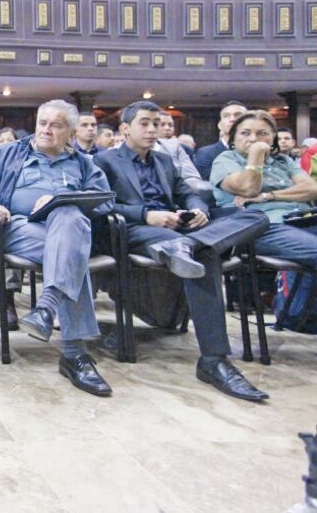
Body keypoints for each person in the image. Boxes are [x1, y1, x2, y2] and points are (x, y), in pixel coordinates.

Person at [94, 101, 270, 402]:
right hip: (136, 230)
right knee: (207, 254)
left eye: (155, 124)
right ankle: (214, 360)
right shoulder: (104, 161)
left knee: (256, 216)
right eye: (145, 124)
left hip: (179, 227)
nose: (152, 130)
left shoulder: (163, 160)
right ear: (125, 129)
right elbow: (101, 204)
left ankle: (191, 244)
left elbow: (188, 192)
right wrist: (146, 214)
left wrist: (197, 209)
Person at [0, 100, 115, 397]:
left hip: (65, 231)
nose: (46, 130)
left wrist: (61, 198)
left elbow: (106, 200)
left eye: (56, 125)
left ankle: (46, 307)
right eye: (42, 123)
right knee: (72, 252)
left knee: (68, 217)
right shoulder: (10, 153)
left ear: (72, 132)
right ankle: (75, 354)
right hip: (17, 229)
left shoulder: (82, 163)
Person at [211, 110, 317, 275]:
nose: (253, 138)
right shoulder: (225, 159)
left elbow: (312, 189)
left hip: (303, 219)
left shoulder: (284, 161)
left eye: (262, 134)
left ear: (273, 137)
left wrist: (269, 196)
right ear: (233, 137)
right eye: (245, 133)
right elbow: (249, 188)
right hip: (262, 228)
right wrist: (257, 153)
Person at [194, 101, 248, 179]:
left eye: (238, 115)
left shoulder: (261, 151)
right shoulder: (206, 153)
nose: (232, 119)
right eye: (226, 116)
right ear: (219, 125)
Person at [156, 111, 201, 184]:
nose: (167, 128)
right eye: (162, 124)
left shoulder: (181, 148)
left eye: (170, 125)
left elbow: (191, 177)